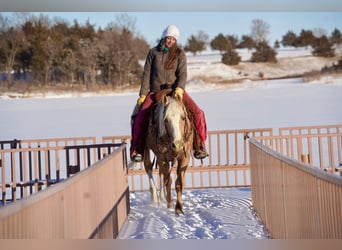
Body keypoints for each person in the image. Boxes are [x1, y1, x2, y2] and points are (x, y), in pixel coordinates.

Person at [130, 24, 208, 162]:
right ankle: (138, 148)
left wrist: (179, 88)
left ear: (176, 40)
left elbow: (182, 74)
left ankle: (199, 145)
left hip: (174, 90)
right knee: (141, 115)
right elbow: (146, 74)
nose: (170, 40)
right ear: (164, 37)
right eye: (168, 37)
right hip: (155, 92)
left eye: (173, 38)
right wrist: (143, 94)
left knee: (198, 113)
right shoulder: (153, 53)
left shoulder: (179, 54)